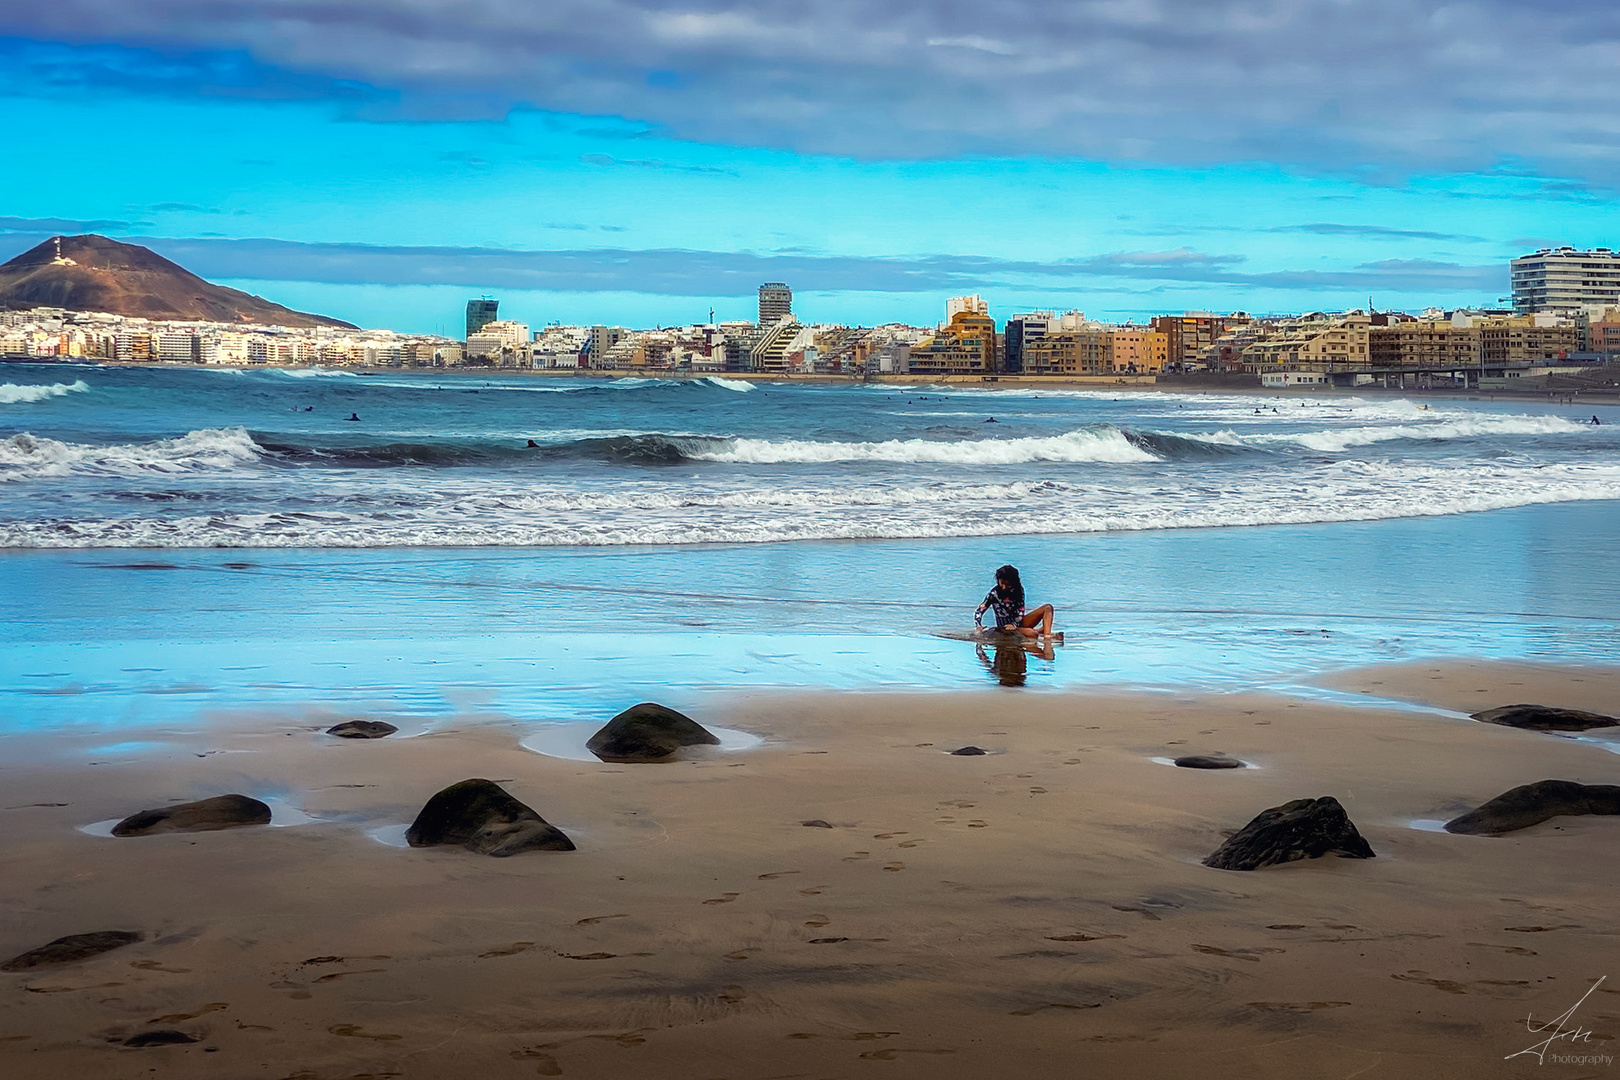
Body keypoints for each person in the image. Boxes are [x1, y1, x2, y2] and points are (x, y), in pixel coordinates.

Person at [973, 564, 1061, 642]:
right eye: (1001, 584)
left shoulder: (1018, 590)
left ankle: (1047, 635)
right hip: (1004, 627)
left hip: (1018, 622)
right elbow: (979, 610)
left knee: (1048, 607)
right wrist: (978, 625)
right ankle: (1040, 632)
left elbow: (1021, 610)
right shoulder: (994, 593)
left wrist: (1014, 624)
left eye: (1007, 585)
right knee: (1033, 634)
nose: (1004, 587)